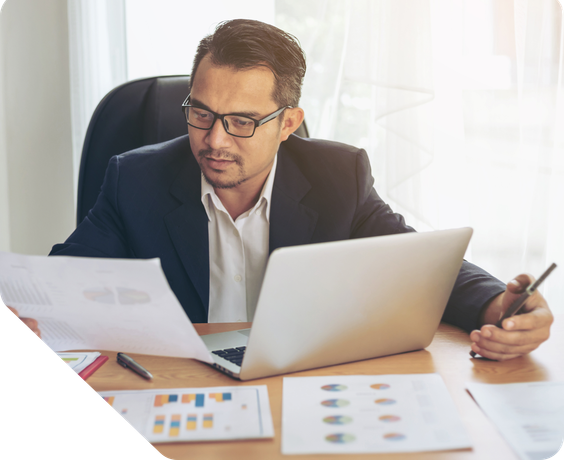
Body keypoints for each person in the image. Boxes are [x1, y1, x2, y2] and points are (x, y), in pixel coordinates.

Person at [17, 19, 548, 361]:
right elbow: (65, 282)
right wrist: (32, 311)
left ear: (289, 122)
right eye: (200, 112)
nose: (214, 139)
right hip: (178, 385)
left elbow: (420, 265)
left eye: (242, 120)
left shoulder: (340, 177)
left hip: (299, 383)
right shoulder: (134, 178)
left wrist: (497, 304)